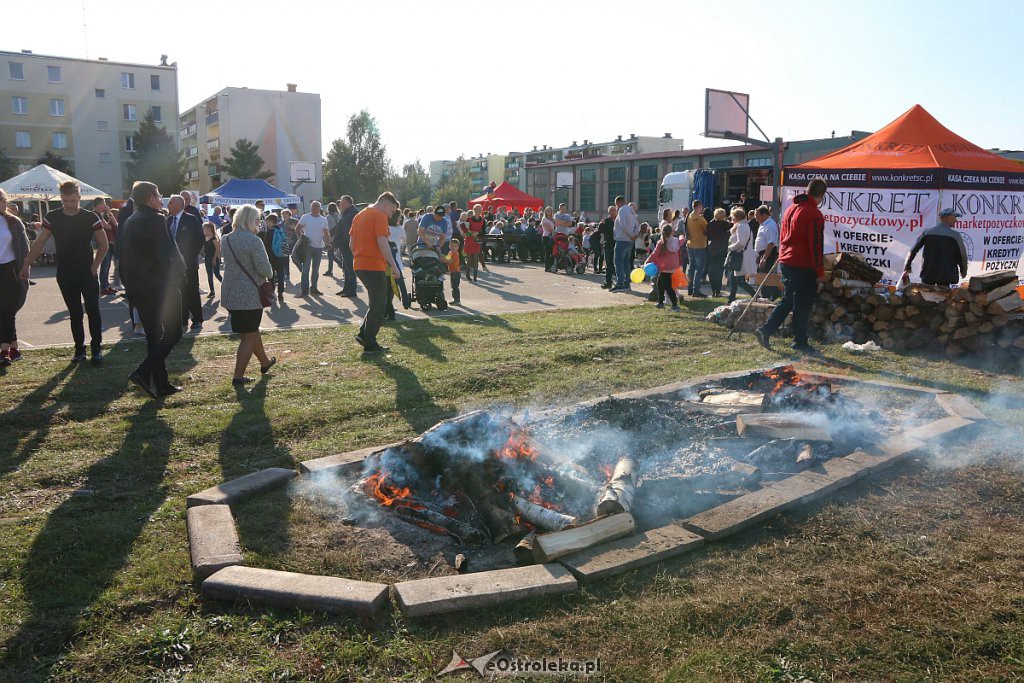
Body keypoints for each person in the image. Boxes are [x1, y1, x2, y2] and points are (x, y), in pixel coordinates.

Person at [20, 180, 108, 363]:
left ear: (79, 198)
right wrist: (27, 263)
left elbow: (104, 244)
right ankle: (79, 350)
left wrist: (95, 266)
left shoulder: (90, 217)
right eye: (65, 201)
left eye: (73, 201)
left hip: (87, 272)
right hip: (65, 273)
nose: (69, 205)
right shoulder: (53, 217)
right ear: (61, 198)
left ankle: (97, 349)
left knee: (93, 310)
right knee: (75, 312)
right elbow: (40, 241)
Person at [120, 181, 185, 397]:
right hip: (158, 286)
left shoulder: (131, 219)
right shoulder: (156, 219)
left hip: (138, 286)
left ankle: (161, 383)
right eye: (158, 196)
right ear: (150, 198)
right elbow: (164, 254)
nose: (161, 200)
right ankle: (143, 371)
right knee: (174, 331)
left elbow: (124, 256)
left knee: (154, 336)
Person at [756, 178, 827, 355]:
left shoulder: (791, 209)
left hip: (787, 261)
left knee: (788, 300)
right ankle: (800, 342)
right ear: (820, 195)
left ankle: (766, 330)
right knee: (802, 305)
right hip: (803, 264)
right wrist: (819, 270)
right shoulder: (814, 213)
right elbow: (816, 244)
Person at [220, 204, 276, 385]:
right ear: (251, 220)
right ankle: (238, 376)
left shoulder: (226, 238)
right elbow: (265, 270)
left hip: (231, 291)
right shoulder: (254, 240)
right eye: (258, 220)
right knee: (249, 335)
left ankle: (265, 362)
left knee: (249, 332)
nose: (260, 223)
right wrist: (270, 273)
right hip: (250, 293)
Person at [350, 192, 401, 354]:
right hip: (373, 265)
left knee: (376, 302)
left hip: (359, 264)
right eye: (392, 211)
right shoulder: (379, 215)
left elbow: (351, 243)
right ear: (385, 205)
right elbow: (382, 242)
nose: (391, 215)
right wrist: (394, 265)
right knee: (379, 303)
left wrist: (359, 255)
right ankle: (369, 341)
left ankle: (364, 334)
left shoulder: (360, 214)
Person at [0, 189, 30, 367]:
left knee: (8, 309)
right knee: (3, 310)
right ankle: (14, 347)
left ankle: (4, 351)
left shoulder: (13, 222)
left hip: (11, 269)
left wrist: (25, 267)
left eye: (2, 200)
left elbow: (25, 247)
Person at [903, 208, 969, 286]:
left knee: (925, 296)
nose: (956, 220)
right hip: (946, 277)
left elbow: (913, 250)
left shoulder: (927, 232)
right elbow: (962, 255)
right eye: (955, 217)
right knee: (943, 296)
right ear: (948, 218)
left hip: (928, 274)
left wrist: (907, 265)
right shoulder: (955, 236)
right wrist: (963, 271)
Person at [168, 194, 205, 332]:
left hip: (188, 263)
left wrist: (189, 257)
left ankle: (197, 319)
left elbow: (199, 239)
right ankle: (182, 319)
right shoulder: (168, 220)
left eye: (171, 203)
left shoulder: (191, 219)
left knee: (192, 291)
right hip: (173, 266)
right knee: (178, 291)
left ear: (178, 204)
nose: (168, 205)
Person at [645, 223, 682, 311]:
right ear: (671, 232)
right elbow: (682, 240)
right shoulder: (676, 241)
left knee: (668, 287)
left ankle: (675, 305)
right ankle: (660, 302)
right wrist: (681, 236)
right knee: (660, 284)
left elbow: (654, 254)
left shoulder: (661, 243)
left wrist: (647, 261)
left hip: (665, 268)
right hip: (673, 267)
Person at [297, 201, 330, 297]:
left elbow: (326, 233)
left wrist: (328, 244)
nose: (315, 208)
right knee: (305, 270)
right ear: (310, 208)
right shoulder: (305, 217)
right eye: (313, 206)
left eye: (317, 206)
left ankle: (314, 289)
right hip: (307, 247)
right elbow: (297, 229)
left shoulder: (323, 219)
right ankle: (304, 290)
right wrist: (302, 240)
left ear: (320, 208)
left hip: (319, 248)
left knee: (316, 270)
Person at [726, 206, 757, 302]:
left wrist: (730, 247)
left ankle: (754, 295)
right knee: (734, 278)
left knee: (739, 280)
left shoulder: (741, 226)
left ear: (737, 217)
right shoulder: (742, 225)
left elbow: (741, 243)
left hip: (740, 255)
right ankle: (731, 297)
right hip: (740, 254)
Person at [753, 205, 781, 300]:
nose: (756, 219)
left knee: (764, 276)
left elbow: (771, 243)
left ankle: (766, 296)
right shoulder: (763, 224)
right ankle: (773, 293)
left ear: (764, 215)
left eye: (758, 217)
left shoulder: (770, 225)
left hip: (768, 253)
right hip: (762, 253)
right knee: (763, 275)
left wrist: (764, 258)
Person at [611, 197, 638, 291]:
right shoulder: (631, 211)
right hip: (630, 242)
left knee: (618, 262)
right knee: (626, 263)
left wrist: (631, 235)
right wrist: (634, 235)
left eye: (616, 204)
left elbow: (623, 225)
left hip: (622, 240)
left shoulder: (622, 210)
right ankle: (627, 283)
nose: (616, 207)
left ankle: (620, 284)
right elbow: (636, 225)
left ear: (618, 202)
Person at [334, 195, 359, 297]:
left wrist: (348, 245)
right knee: (346, 268)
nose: (340, 204)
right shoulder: (347, 214)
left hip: (349, 247)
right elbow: (341, 230)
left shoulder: (352, 214)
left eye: (342, 202)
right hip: (345, 246)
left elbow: (348, 233)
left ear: (347, 203)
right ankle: (346, 288)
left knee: (349, 269)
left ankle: (351, 291)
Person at [705, 208, 731, 298]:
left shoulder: (710, 224)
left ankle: (713, 290)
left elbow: (707, 236)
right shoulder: (727, 225)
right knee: (719, 271)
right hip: (722, 249)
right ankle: (718, 290)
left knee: (712, 271)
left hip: (712, 249)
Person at [263, 214, 290, 301]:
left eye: (267, 222)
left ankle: (272, 293)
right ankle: (281, 293)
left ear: (271, 221)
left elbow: (266, 246)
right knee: (281, 275)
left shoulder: (269, 232)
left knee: (271, 276)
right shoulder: (281, 230)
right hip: (281, 257)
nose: (267, 224)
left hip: (271, 258)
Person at [685, 200, 708, 298]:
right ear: (699, 207)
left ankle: (689, 288)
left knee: (691, 268)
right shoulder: (700, 218)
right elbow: (707, 229)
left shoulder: (689, 216)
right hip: (700, 245)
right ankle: (696, 290)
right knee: (699, 269)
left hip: (690, 245)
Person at [95, 199, 119, 295]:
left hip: (108, 242)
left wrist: (109, 214)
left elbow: (115, 224)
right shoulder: (95, 215)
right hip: (103, 243)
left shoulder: (100, 215)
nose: (105, 206)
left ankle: (106, 286)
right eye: (104, 204)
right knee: (105, 266)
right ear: (99, 205)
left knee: (107, 265)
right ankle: (103, 287)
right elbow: (108, 227)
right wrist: (109, 213)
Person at [463, 204, 486, 281]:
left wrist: (478, 233)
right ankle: (467, 275)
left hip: (477, 241)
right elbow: (464, 229)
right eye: (478, 209)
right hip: (469, 240)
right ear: (474, 210)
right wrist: (471, 232)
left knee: (476, 258)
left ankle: (475, 277)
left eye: (480, 209)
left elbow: (483, 232)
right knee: (469, 259)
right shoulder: (468, 219)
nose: (479, 211)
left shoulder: (483, 220)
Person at [202, 221, 222, 299]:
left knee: (217, 274)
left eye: (204, 229)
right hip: (207, 259)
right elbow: (203, 249)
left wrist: (214, 259)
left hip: (214, 259)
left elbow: (217, 250)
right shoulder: (205, 238)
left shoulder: (214, 238)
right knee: (209, 275)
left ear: (209, 229)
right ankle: (212, 291)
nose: (203, 231)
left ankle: (226, 286)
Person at [599, 205, 617, 288]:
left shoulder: (619, 220)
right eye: (611, 211)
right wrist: (601, 224)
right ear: (609, 212)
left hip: (618, 243)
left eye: (614, 210)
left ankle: (620, 282)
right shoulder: (606, 221)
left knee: (618, 263)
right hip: (608, 244)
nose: (613, 212)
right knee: (608, 263)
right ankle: (608, 282)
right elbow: (600, 230)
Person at [324, 202, 340, 276]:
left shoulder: (328, 217)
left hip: (331, 238)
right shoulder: (338, 215)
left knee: (330, 255)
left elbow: (327, 229)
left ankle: (341, 266)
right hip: (338, 238)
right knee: (333, 254)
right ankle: (330, 270)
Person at [446, 237, 462, 305]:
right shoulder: (450, 252)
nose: (453, 247)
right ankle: (455, 299)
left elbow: (449, 261)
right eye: (452, 246)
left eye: (455, 246)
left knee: (455, 287)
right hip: (452, 272)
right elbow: (446, 260)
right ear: (449, 246)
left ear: (458, 247)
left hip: (456, 272)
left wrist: (443, 258)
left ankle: (457, 300)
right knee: (453, 286)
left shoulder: (455, 253)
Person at [540, 206, 556, 271]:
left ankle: (551, 266)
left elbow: (556, 224)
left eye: (550, 210)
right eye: (547, 210)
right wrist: (554, 232)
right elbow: (549, 229)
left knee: (552, 252)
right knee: (548, 252)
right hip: (546, 237)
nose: (549, 211)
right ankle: (547, 267)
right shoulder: (544, 219)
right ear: (545, 211)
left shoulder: (552, 219)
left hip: (552, 237)